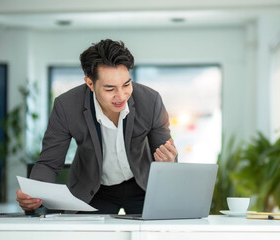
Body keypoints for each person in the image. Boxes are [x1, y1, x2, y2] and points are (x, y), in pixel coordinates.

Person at [16, 39, 177, 214]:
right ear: (90, 83)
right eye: (110, 89)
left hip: (142, 185)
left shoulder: (150, 101)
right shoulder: (66, 106)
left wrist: (168, 162)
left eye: (126, 84)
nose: (121, 96)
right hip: (94, 189)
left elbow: (167, 155)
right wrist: (34, 195)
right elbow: (49, 163)